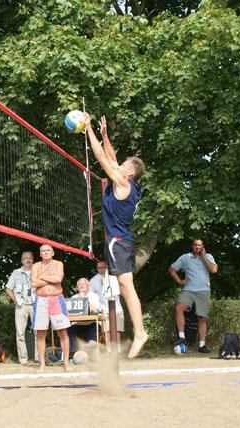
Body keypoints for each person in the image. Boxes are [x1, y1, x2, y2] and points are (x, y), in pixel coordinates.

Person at [85, 113, 149, 358]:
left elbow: (102, 158)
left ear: (129, 174)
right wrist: (104, 135)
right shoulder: (129, 184)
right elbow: (111, 157)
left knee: (126, 286)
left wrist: (89, 128)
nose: (118, 165)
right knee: (123, 286)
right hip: (121, 240)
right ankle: (138, 332)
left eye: (123, 166)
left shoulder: (123, 184)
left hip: (118, 242)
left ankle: (140, 332)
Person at [169, 239, 219, 353]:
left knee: (202, 318)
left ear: (203, 247)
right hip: (189, 290)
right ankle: (181, 337)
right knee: (178, 308)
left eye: (200, 245)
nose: (197, 247)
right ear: (192, 246)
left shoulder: (208, 256)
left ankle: (202, 345)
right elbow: (172, 269)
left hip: (203, 291)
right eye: (196, 245)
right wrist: (180, 281)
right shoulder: (185, 257)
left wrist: (204, 256)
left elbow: (214, 270)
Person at [31, 244, 71, 371]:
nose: (46, 252)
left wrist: (41, 277)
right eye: (43, 251)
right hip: (41, 301)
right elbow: (33, 283)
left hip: (56, 300)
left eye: (48, 250)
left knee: (62, 332)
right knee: (41, 333)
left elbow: (58, 279)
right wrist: (50, 279)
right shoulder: (36, 266)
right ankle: (42, 364)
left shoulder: (58, 264)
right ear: (40, 253)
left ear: (53, 253)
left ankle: (66, 363)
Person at [5, 251, 36, 364]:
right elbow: (8, 288)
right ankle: (23, 359)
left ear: (33, 260)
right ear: (22, 260)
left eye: (30, 258)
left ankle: (38, 358)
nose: (28, 260)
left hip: (35, 304)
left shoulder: (37, 271)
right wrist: (16, 301)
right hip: (21, 305)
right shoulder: (16, 273)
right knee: (20, 333)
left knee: (38, 332)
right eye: (25, 258)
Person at [89, 260, 125, 350]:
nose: (101, 269)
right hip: (103, 309)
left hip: (117, 307)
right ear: (97, 268)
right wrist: (95, 307)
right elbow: (91, 296)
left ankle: (118, 350)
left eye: (104, 267)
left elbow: (121, 290)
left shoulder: (114, 277)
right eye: (99, 268)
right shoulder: (93, 280)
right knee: (106, 331)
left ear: (107, 267)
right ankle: (109, 351)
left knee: (117, 330)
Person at [67, 278, 102, 355]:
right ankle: (72, 354)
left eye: (83, 284)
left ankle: (91, 355)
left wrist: (83, 299)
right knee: (68, 330)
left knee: (93, 333)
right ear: (77, 287)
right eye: (79, 284)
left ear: (88, 286)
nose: (81, 285)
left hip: (91, 323)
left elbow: (95, 311)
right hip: (77, 324)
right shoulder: (74, 298)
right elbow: (70, 312)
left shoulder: (94, 296)